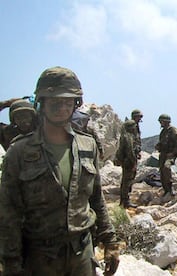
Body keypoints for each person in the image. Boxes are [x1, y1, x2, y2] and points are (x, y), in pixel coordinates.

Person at [0, 66, 120, 276]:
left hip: (82, 253)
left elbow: (96, 198)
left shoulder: (87, 146)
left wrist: (110, 241)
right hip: (39, 258)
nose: (62, 107)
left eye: (68, 101)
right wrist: (11, 263)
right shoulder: (18, 152)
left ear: (76, 104)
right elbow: (9, 213)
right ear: (41, 103)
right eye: (54, 101)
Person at [155, 114, 177, 200]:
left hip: (170, 155)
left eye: (161, 121)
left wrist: (173, 153)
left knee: (166, 168)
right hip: (163, 154)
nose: (160, 123)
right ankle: (166, 189)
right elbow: (162, 142)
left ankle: (170, 188)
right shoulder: (163, 132)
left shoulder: (173, 130)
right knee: (162, 171)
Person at [115, 119, 140, 209]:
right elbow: (130, 152)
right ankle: (125, 201)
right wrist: (133, 163)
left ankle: (123, 201)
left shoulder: (124, 136)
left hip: (126, 162)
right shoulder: (128, 137)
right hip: (129, 162)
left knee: (125, 181)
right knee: (127, 182)